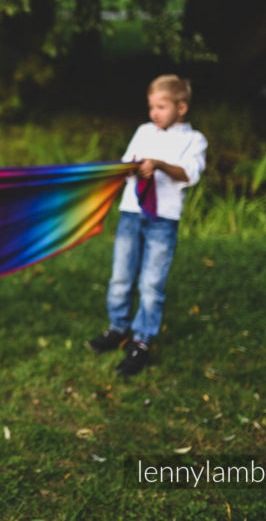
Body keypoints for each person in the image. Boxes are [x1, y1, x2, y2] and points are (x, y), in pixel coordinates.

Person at [85, 75, 207, 377]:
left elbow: (189, 174)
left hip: (162, 221)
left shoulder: (194, 140)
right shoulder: (143, 131)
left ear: (181, 108)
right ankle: (117, 327)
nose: (154, 113)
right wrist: (132, 168)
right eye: (151, 106)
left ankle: (141, 340)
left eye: (161, 107)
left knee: (151, 284)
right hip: (131, 214)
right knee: (120, 276)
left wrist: (160, 164)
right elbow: (127, 168)